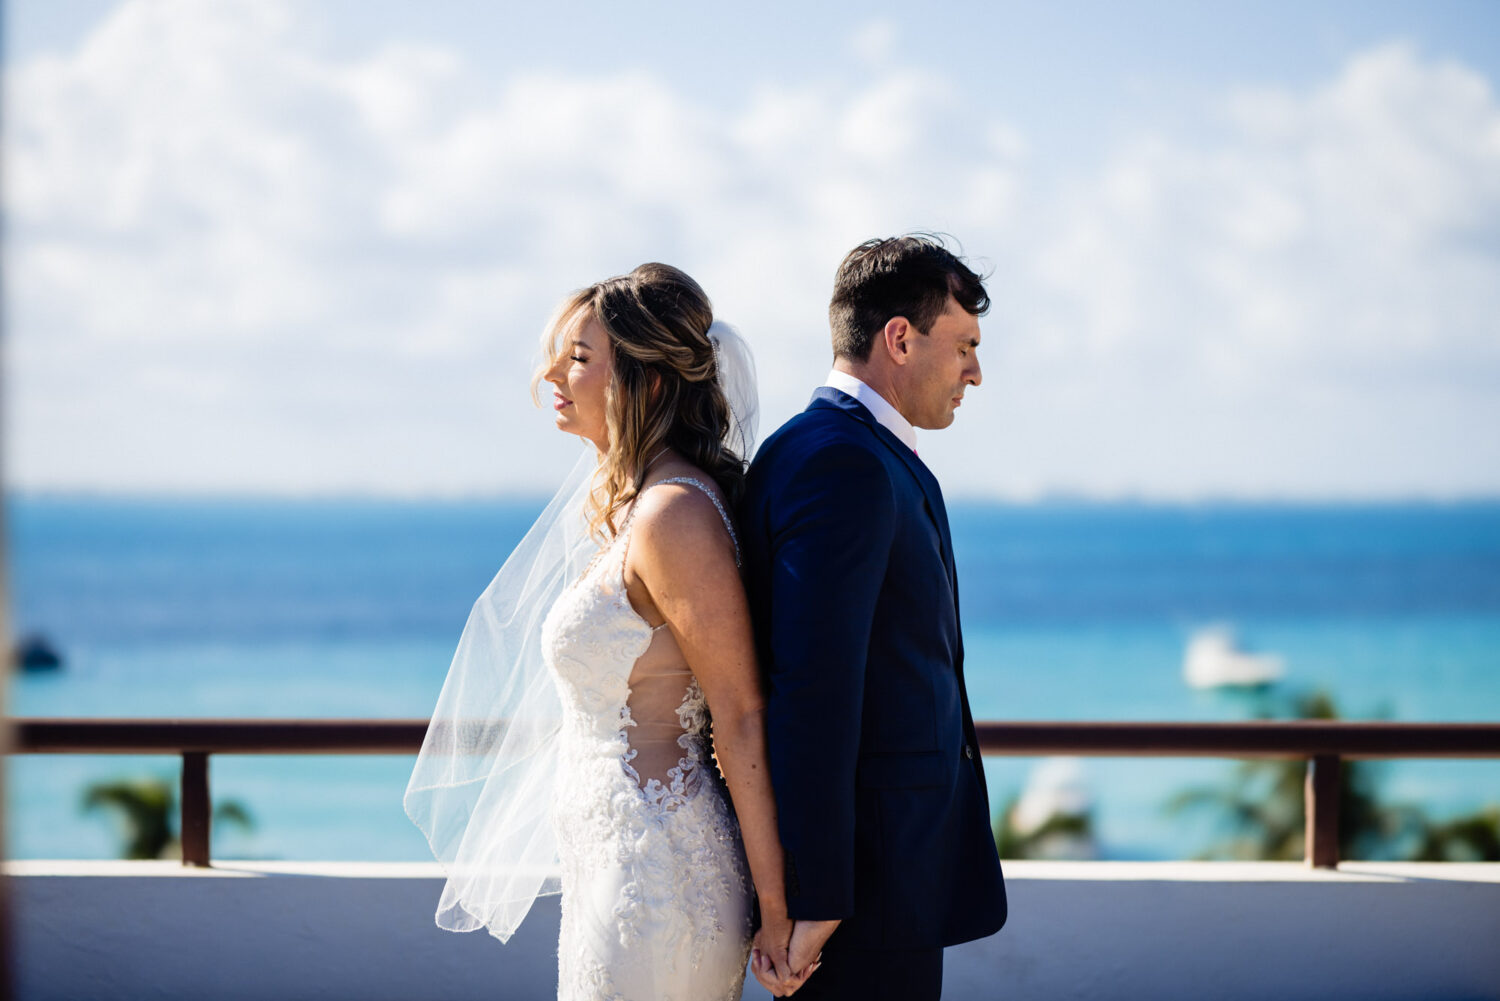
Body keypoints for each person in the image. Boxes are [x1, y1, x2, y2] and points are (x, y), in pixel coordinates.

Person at [406, 263, 811, 1000]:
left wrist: (778, 910)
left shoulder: (674, 516)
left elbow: (740, 713)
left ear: (647, 383)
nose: (551, 374)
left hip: (658, 878)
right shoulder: (631, 507)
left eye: (580, 358)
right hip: (608, 865)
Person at [740, 236, 1008, 1001]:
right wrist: (819, 895)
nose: (975, 372)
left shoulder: (842, 451)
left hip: (888, 879)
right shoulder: (840, 463)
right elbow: (814, 690)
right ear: (899, 337)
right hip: (864, 891)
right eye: (964, 346)